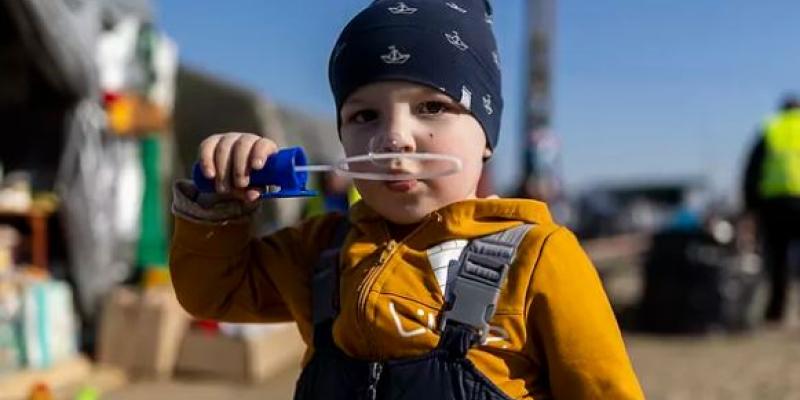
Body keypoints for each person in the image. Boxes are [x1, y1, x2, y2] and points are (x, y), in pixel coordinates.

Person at [169, 1, 643, 398]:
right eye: (365, 116)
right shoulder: (321, 252)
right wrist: (220, 206)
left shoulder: (539, 259)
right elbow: (213, 293)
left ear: (485, 139)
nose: (394, 138)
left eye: (432, 107)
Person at [743, 94, 800, 322]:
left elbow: (752, 169)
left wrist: (751, 205)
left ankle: (776, 311)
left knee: (777, 260)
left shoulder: (771, 128)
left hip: (774, 205)